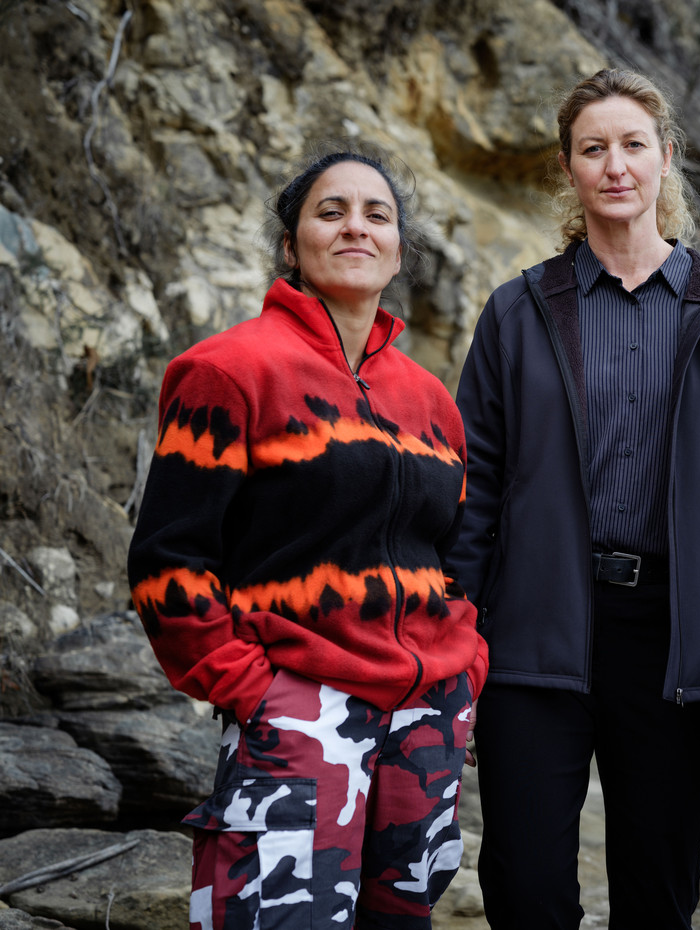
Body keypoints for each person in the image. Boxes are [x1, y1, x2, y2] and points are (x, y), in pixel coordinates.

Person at [448, 68, 700, 929]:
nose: (616, 166)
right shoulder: (517, 312)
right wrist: (451, 645)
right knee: (525, 890)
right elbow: (474, 491)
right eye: (593, 148)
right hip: (533, 631)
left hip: (678, 644)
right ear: (567, 168)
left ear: (666, 159)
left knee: (657, 895)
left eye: (634, 145)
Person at [127, 146, 488, 930]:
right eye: (331, 211)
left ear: (398, 250)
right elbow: (167, 563)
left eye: (377, 214)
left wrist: (464, 672)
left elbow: (452, 554)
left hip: (425, 718)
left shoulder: (430, 401)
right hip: (298, 711)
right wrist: (256, 693)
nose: (356, 226)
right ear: (291, 247)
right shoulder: (227, 370)